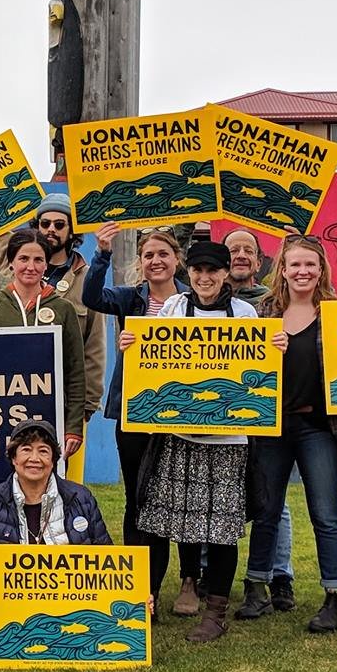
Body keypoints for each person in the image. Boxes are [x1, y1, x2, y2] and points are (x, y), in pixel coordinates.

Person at [122, 242, 256, 642]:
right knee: (158, 520)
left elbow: (258, 370)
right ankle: (146, 601)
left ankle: (215, 613)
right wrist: (133, 347)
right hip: (177, 436)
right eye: (197, 270)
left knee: (221, 527)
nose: (204, 278)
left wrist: (275, 349)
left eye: (213, 270)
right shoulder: (174, 308)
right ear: (189, 271)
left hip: (229, 440)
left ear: (226, 273)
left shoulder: (245, 313)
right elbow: (151, 361)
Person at [241, 235, 337, 633]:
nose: (303, 271)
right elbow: (238, 364)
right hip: (272, 427)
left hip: (320, 428)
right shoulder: (263, 312)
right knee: (266, 511)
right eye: (295, 264)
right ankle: (256, 588)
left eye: (310, 264)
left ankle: (333, 596)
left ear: (321, 269)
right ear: (283, 270)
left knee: (326, 514)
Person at [81, 224, 192, 613]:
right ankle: (143, 590)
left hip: (182, 417)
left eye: (163, 254)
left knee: (181, 499)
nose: (156, 261)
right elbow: (91, 296)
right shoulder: (130, 299)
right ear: (140, 263)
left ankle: (189, 581)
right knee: (138, 500)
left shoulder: (193, 299)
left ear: (176, 259)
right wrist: (102, 252)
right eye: (148, 256)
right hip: (135, 413)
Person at [220, 227, 298, 608]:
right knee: (218, 492)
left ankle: (280, 576)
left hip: (265, 413)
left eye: (247, 250)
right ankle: (209, 572)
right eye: (232, 250)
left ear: (258, 260)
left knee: (274, 499)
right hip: (220, 416)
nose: (240, 255)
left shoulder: (274, 301)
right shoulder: (205, 299)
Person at [0, 228, 88, 455]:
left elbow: (75, 371)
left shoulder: (63, 308)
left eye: (38, 260)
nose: (31, 267)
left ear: (46, 265)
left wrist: (74, 427)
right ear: (11, 263)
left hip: (50, 414)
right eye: (23, 259)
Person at [31, 194, 105, 435]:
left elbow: (94, 345)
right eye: (45, 223)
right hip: (20, 392)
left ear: (72, 231)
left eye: (59, 224)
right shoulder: (17, 273)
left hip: (65, 398)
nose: (51, 229)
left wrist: (88, 403)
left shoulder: (87, 279)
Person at [0, 419, 113, 547]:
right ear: (13, 458)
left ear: (53, 460)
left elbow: (106, 554)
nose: (35, 458)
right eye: (26, 450)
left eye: (43, 451)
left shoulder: (81, 498)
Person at [223, 228, 270, 310]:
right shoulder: (208, 301)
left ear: (258, 263)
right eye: (234, 251)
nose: (241, 256)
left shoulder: (274, 303)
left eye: (248, 251)